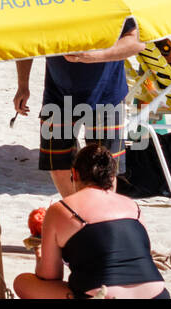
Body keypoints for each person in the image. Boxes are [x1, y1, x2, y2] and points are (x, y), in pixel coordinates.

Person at [13, 144, 168, 299]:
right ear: (113, 177)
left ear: (75, 174)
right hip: (157, 294)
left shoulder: (62, 208)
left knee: (23, 282)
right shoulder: (134, 208)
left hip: (104, 295)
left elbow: (50, 276)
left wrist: (39, 254)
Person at [15, 19, 143, 198]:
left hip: (106, 94)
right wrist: (23, 85)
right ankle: (75, 213)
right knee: (58, 164)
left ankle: (100, 217)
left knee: (106, 165)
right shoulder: (46, 0)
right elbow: (27, 41)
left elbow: (135, 43)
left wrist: (93, 56)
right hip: (58, 93)